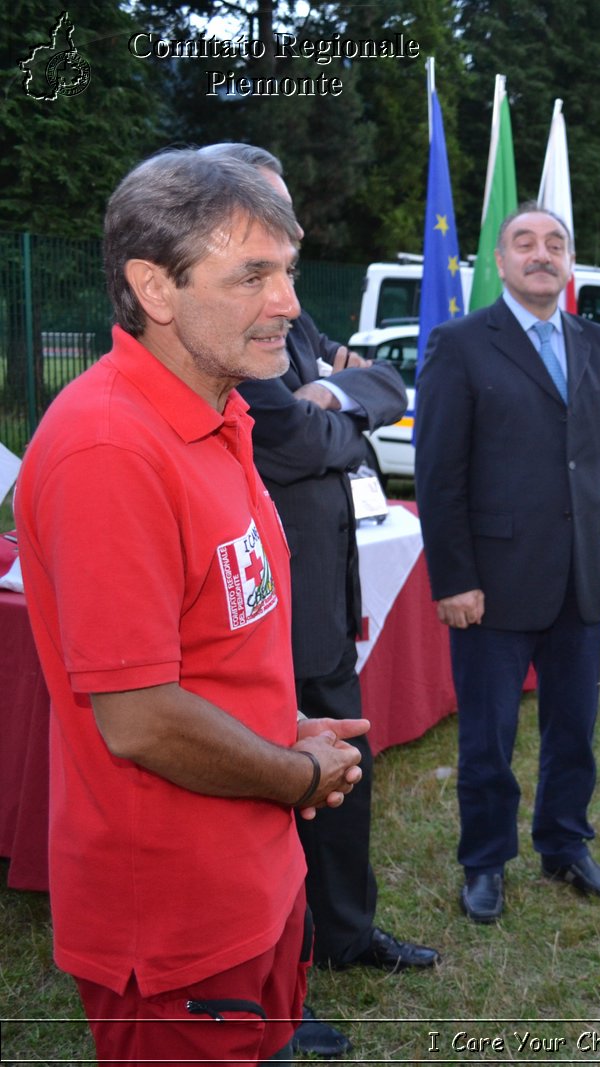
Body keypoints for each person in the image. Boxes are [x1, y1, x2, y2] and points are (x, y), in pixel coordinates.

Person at [14, 148, 365, 1062]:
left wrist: (286, 725)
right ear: (154, 288)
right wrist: (298, 774)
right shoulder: (110, 447)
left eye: (286, 272)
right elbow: (139, 719)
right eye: (254, 275)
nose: (288, 304)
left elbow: (211, 641)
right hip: (173, 915)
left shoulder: (221, 412)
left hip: (257, 877)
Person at [201, 143, 438, 1059]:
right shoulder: (229, 313)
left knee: (345, 768)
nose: (283, 235)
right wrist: (330, 418)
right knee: (271, 796)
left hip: (323, 590)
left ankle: (344, 932)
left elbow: (374, 382)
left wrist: (332, 390)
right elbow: (289, 439)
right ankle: (274, 986)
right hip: (261, 600)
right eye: (264, 209)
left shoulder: (286, 312)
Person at [415, 203, 600, 923]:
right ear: (501, 260)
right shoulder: (460, 344)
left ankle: (565, 843)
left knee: (573, 728)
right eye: (525, 243)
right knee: (489, 736)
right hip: (493, 581)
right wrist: (453, 577)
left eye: (555, 243)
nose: (541, 254)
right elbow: (438, 471)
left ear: (568, 260)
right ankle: (484, 860)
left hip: (582, 574)